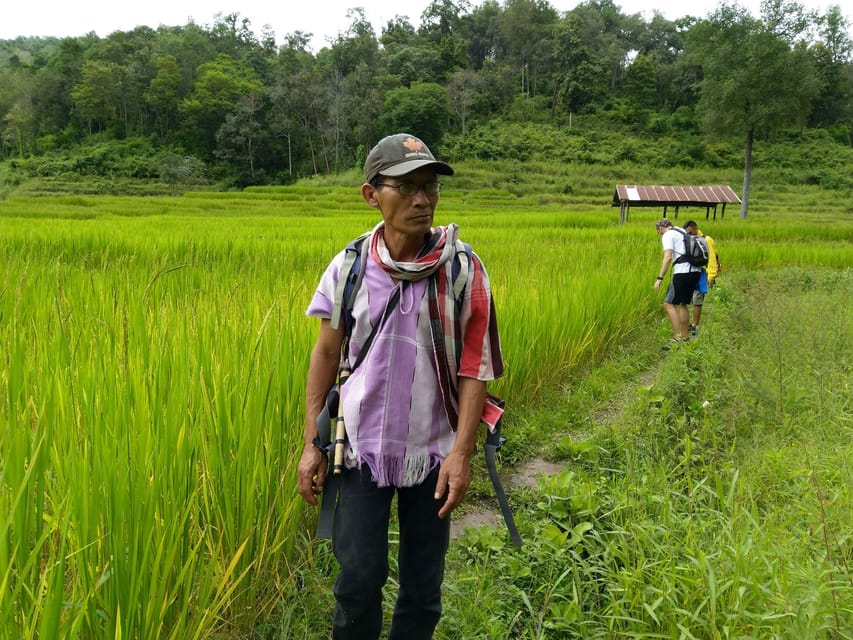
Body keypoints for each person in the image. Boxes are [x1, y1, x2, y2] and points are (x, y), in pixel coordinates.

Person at [297, 132, 504, 640]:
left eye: (429, 187)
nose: (422, 199)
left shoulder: (461, 268)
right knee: (358, 580)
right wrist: (311, 443)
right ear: (372, 195)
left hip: (433, 451)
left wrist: (462, 454)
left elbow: (475, 367)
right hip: (360, 448)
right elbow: (326, 354)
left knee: (421, 587)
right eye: (406, 187)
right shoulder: (348, 267)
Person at [653, 218, 702, 348]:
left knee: (668, 304)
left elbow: (668, 256)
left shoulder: (667, 235)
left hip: (682, 272)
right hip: (695, 271)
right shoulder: (681, 231)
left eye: (659, 232)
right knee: (683, 304)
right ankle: (685, 337)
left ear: (660, 229)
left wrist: (660, 278)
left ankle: (677, 337)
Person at [683, 219, 721, 336]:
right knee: (688, 299)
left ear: (695, 228)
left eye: (690, 232)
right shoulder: (690, 239)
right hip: (691, 272)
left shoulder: (706, 240)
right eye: (686, 233)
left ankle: (695, 325)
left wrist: (711, 277)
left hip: (702, 273)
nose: (688, 234)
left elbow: (712, 259)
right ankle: (690, 324)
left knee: (697, 300)